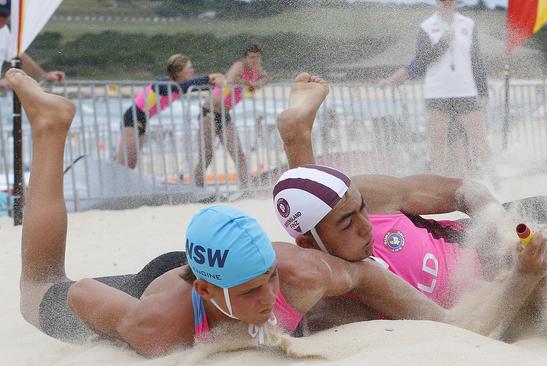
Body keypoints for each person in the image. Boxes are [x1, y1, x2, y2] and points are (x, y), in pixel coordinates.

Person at [13, 67, 463, 357]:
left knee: (325, 237)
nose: (269, 298)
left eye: (269, 281)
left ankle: (296, 139)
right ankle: (50, 129)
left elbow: (365, 275)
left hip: (224, 257)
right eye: (253, 293)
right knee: (38, 289)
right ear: (208, 292)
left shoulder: (295, 273)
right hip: (165, 282)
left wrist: (455, 328)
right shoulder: (158, 326)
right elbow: (82, 294)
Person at [274, 73, 547, 342]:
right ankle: (297, 137)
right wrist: (522, 271)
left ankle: (298, 136)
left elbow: (465, 190)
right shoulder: (354, 286)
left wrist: (497, 226)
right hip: (520, 289)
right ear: (311, 246)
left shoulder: (359, 195)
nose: (365, 226)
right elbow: (461, 328)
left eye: (361, 211)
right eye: (348, 224)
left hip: (510, 230)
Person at [382, 0, 493, 179]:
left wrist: (483, 90)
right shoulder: (426, 26)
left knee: (480, 140)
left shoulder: (468, 24)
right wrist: (442, 43)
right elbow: (421, 60)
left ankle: (495, 182)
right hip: (437, 93)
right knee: (438, 143)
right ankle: (437, 185)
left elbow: (477, 61)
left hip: (466, 91)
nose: (446, 2)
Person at [115, 54, 223, 168]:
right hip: (131, 119)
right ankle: (109, 183)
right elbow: (185, 86)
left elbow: (196, 86)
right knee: (123, 164)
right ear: (179, 71)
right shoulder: (164, 84)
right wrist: (208, 78)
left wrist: (217, 80)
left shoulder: (178, 86)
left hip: (141, 121)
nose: (193, 70)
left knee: (131, 164)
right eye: (189, 68)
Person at [194, 42, 270, 188]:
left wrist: (259, 82)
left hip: (224, 115)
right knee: (207, 153)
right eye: (251, 57)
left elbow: (266, 77)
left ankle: (246, 185)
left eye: (258, 57)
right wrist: (251, 84)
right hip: (209, 113)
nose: (255, 61)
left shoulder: (257, 70)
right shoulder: (239, 66)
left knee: (237, 152)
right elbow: (234, 79)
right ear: (245, 58)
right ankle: (198, 184)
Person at [0, 2, 64, 90]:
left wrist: (43, 75)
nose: (1, 19)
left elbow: (17, 54)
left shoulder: (3, 32)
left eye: (4, 15)